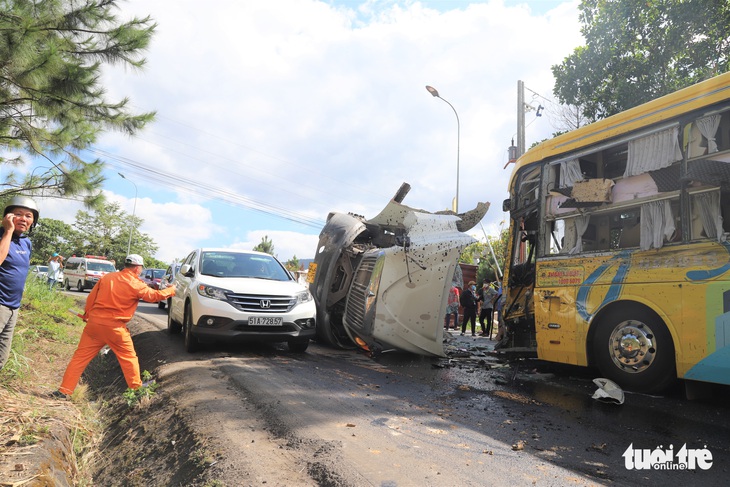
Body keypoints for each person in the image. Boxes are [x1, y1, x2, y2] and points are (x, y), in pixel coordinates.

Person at [53, 254, 176, 398]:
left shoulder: (108, 277)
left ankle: (63, 391)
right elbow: (154, 296)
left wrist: (87, 315)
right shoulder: (135, 284)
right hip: (115, 329)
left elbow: (91, 298)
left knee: (79, 358)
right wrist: (172, 290)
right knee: (128, 357)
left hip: (94, 325)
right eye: (141, 268)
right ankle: (136, 388)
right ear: (137, 268)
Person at [0, 196, 38, 370]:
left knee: (2, 356)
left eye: (28, 215)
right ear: (8, 217)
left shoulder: (26, 243)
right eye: (18, 214)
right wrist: (8, 232)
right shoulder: (2, 235)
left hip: (13, 307)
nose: (24, 219)